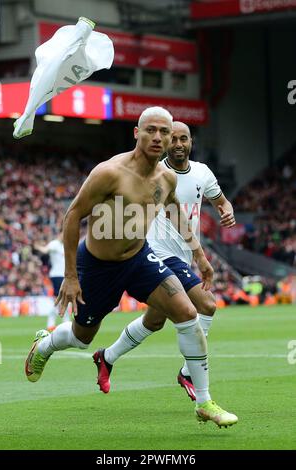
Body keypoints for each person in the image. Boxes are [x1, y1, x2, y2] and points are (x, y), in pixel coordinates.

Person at [25, 107, 238, 427]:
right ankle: (46, 344)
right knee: (82, 337)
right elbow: (72, 216)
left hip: (139, 259)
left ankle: (204, 401)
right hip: (97, 266)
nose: (158, 137)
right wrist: (70, 276)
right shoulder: (109, 172)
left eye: (164, 132)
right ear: (136, 133)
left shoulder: (165, 177)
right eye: (150, 130)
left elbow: (176, 213)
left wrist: (201, 257)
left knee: (188, 313)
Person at [94, 121, 235, 401]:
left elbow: (221, 201)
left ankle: (106, 357)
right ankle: (187, 372)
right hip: (157, 252)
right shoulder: (154, 173)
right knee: (206, 305)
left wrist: (226, 211)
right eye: (175, 139)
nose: (179, 144)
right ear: (167, 141)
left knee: (155, 321)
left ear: (191, 142)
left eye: (185, 139)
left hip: (184, 254)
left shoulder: (203, 172)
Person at [34, 232, 69, 330]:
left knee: (63, 300)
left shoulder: (63, 246)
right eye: (63, 233)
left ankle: (62, 322)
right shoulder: (54, 244)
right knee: (59, 300)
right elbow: (45, 250)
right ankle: (56, 322)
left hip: (64, 276)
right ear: (59, 234)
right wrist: (37, 247)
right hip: (57, 275)